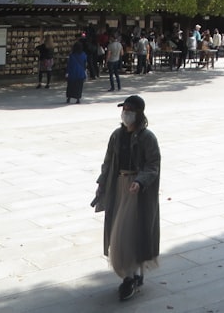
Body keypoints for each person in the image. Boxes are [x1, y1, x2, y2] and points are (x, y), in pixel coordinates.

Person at [94, 95, 160, 302]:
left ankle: (131, 278)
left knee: (130, 231)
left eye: (130, 110)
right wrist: (102, 183)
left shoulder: (147, 137)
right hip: (119, 185)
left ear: (139, 113)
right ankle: (134, 274)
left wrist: (140, 182)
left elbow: (153, 165)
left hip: (137, 190)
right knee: (119, 229)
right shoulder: (116, 136)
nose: (126, 113)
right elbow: (107, 162)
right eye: (124, 109)